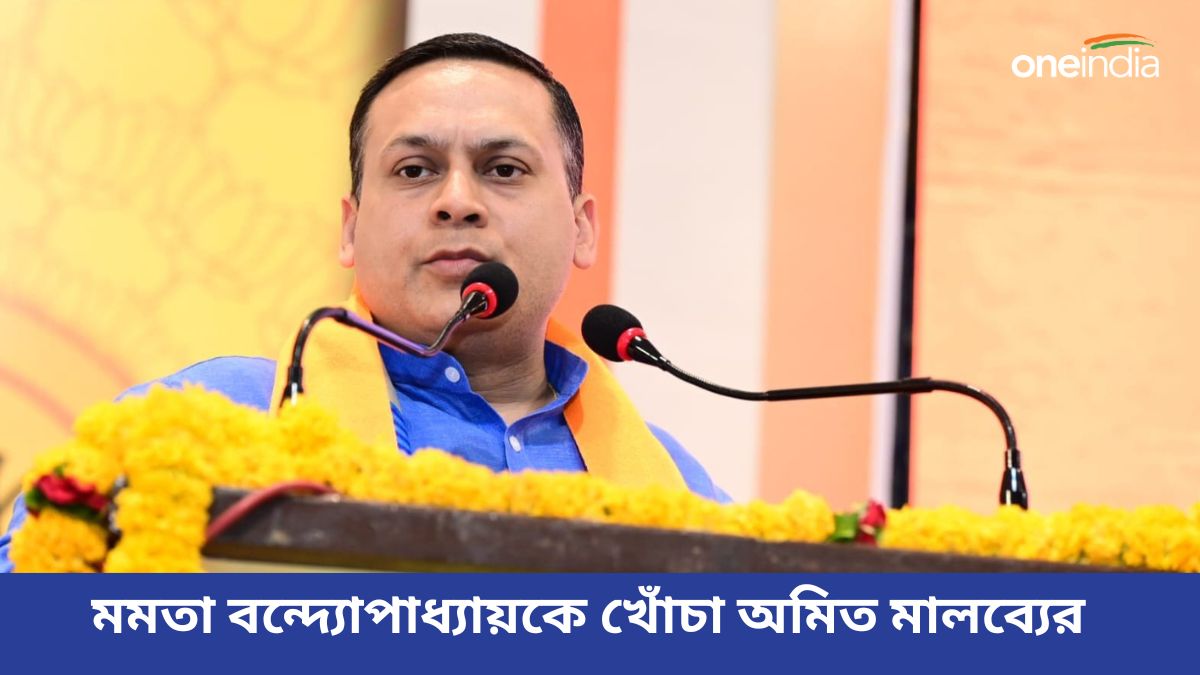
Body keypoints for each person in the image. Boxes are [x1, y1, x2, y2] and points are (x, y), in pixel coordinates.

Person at [0, 33, 728, 572]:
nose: (457, 201)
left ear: (582, 228)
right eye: (415, 170)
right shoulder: (204, 420)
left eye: (504, 169)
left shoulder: (681, 491)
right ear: (350, 229)